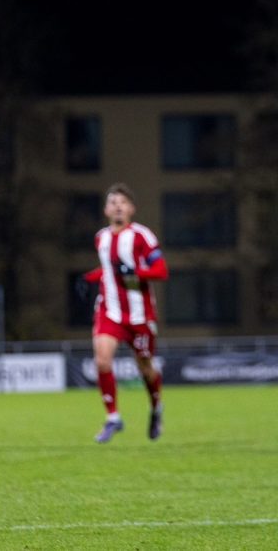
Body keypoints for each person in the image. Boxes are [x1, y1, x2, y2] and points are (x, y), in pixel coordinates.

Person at [78, 183, 168, 443]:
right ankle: (113, 418)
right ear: (106, 210)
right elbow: (108, 270)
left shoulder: (142, 236)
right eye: (113, 202)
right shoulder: (101, 238)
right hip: (110, 311)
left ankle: (156, 407)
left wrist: (137, 273)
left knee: (145, 368)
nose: (118, 206)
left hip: (140, 315)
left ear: (132, 209)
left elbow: (161, 271)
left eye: (123, 202)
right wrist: (88, 278)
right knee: (102, 361)